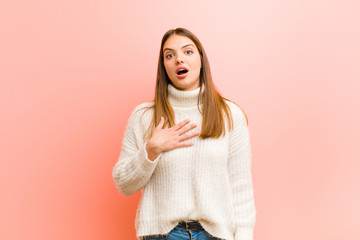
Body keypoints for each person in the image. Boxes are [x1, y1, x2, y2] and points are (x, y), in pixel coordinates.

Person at [112, 27, 256, 240]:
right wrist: (151, 151)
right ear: (164, 66)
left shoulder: (229, 114)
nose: (179, 59)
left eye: (187, 52)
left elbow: (241, 187)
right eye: (169, 55)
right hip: (162, 235)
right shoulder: (144, 116)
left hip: (215, 235)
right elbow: (124, 185)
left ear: (201, 59)